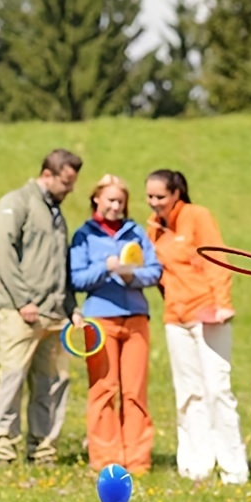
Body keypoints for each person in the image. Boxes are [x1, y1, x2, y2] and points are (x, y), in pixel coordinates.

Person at [145, 169, 249, 485]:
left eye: (160, 196)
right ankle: (195, 465)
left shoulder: (197, 216)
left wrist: (222, 304)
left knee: (217, 389)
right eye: (149, 196)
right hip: (175, 320)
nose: (154, 203)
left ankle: (233, 469)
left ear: (177, 193)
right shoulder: (153, 229)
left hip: (208, 314)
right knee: (188, 393)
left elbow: (218, 259)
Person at [0, 149, 84, 465]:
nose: (70, 189)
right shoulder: (15, 204)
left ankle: (42, 449)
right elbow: (4, 256)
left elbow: (59, 266)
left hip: (53, 313)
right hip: (19, 312)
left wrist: (71, 306)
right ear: (48, 174)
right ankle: (0, 449)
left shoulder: (55, 212)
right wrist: (23, 300)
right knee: (12, 378)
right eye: (66, 182)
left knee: (52, 383)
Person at [69, 174, 163, 473]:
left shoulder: (135, 232)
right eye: (110, 200)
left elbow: (155, 271)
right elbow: (76, 278)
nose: (115, 206)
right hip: (99, 320)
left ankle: (137, 461)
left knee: (134, 391)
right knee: (103, 389)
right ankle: (106, 460)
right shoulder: (85, 234)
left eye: (120, 201)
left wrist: (130, 275)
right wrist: (105, 268)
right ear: (96, 199)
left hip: (136, 318)